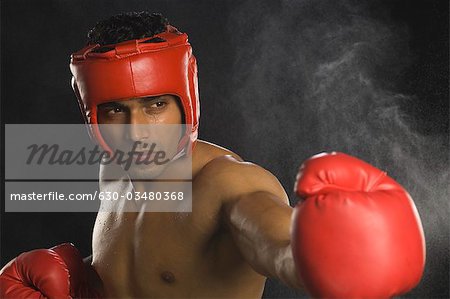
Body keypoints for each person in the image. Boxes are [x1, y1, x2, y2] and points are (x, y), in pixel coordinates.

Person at [0, 12, 426, 298]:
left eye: (155, 105)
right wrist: (83, 283)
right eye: (115, 111)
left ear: (187, 102)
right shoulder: (112, 173)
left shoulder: (230, 185)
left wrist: (332, 254)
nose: (136, 132)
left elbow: (277, 245)